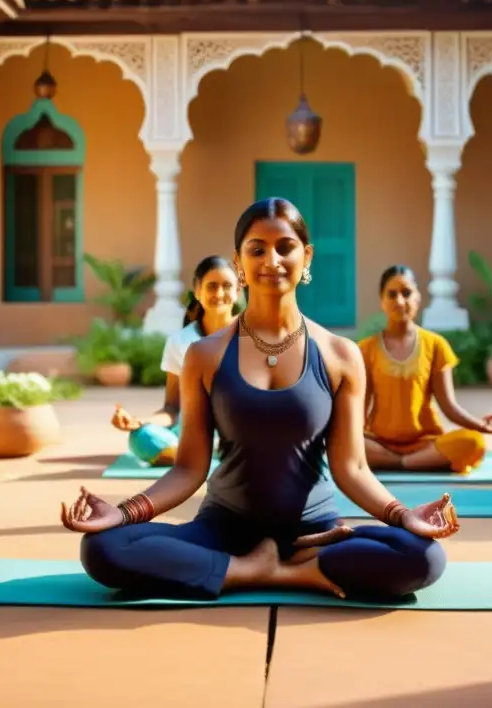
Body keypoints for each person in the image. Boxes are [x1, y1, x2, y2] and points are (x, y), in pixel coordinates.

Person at [61, 199, 457, 601]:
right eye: (257, 249)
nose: (272, 259)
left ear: (307, 256)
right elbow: (189, 468)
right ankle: (275, 573)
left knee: (423, 556)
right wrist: (123, 512)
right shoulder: (206, 354)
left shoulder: (340, 355)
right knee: (102, 548)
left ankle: (254, 571)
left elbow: (352, 467)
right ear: (239, 262)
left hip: (314, 534)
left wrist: (404, 515)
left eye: (285, 246)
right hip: (223, 530)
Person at [359, 265, 492, 472]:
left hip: (426, 443)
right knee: (338, 441)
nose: (400, 301)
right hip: (379, 443)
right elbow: (359, 409)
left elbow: (449, 406)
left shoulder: (436, 345)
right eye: (392, 294)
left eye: (406, 293)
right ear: (382, 300)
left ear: (418, 298)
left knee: (473, 442)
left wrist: (481, 426)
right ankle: (413, 463)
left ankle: (400, 463)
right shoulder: (366, 349)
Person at [111, 255, 239, 466]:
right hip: (193, 433)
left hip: (240, 433)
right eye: (211, 286)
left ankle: (195, 456)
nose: (219, 293)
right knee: (141, 437)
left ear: (238, 291)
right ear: (197, 292)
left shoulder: (252, 337)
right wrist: (139, 422)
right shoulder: (180, 341)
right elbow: (172, 409)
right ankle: (202, 453)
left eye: (226, 286)